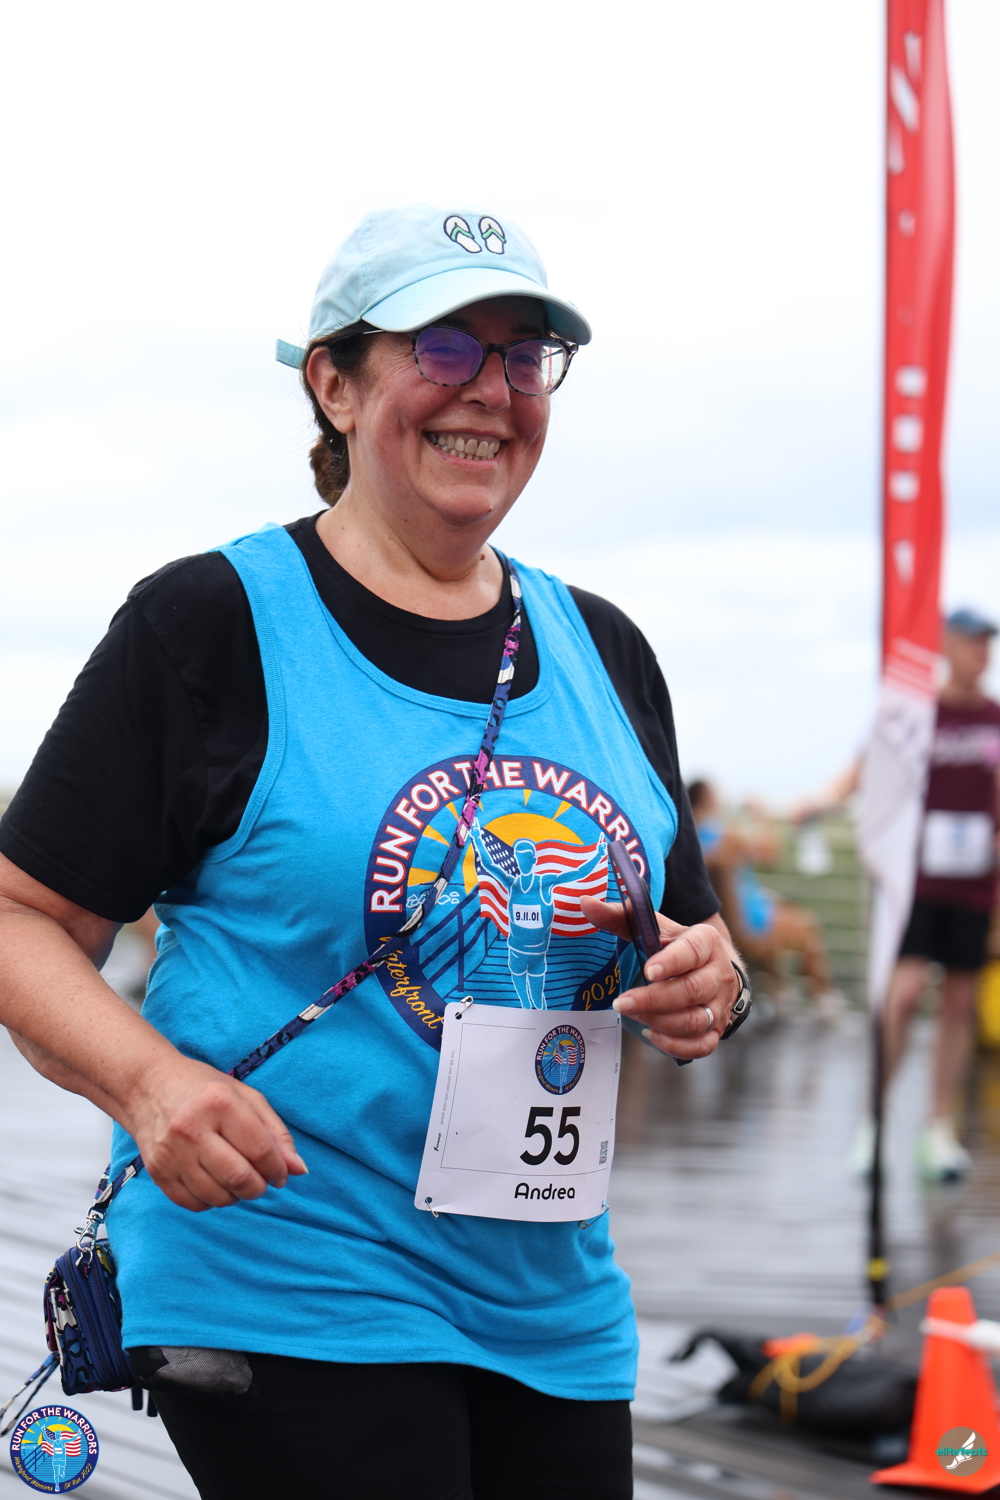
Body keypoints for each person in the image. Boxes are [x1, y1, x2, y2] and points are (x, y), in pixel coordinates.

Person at [0, 203, 748, 1500]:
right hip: (285, 1270)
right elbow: (23, 921)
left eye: (524, 356)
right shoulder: (211, 623)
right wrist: (150, 1086)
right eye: (443, 348)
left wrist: (712, 989)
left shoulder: (605, 647)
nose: (491, 390)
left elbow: (684, 939)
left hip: (552, 1299)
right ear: (334, 385)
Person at [880, 608, 1000, 1180]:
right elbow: (875, 774)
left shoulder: (995, 719)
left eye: (988, 644)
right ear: (947, 645)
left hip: (974, 888)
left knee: (958, 1004)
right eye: (974, 642)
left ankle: (937, 1124)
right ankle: (877, 1117)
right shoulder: (919, 713)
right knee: (903, 995)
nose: (983, 652)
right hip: (917, 884)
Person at [688, 778, 844, 1015]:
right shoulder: (728, 839)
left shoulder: (692, 842)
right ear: (707, 800)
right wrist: (762, 814)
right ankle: (823, 999)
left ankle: (779, 994)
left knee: (779, 909)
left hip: (718, 922)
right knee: (807, 926)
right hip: (748, 925)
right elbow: (772, 853)